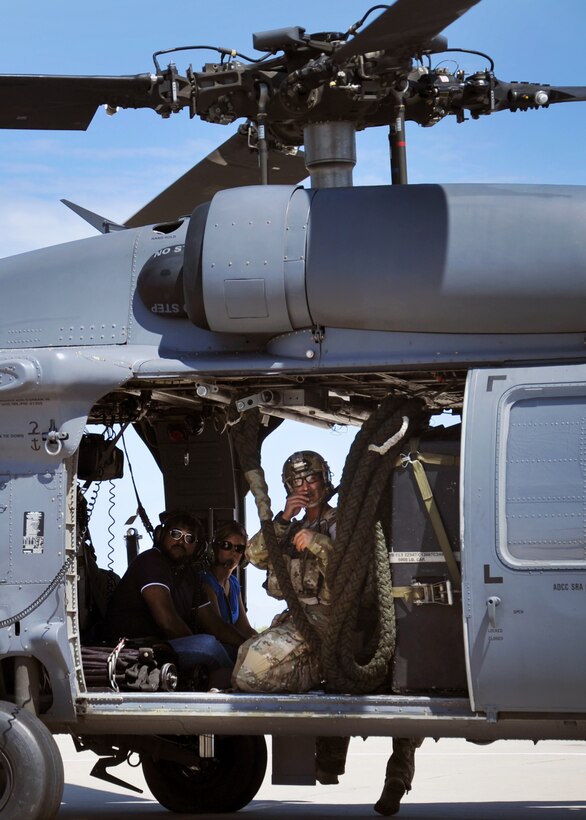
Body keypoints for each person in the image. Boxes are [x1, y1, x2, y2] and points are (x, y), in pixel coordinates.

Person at [234, 450, 421, 816]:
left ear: (325, 479)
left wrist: (318, 544)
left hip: (336, 628)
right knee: (243, 659)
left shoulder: (344, 524)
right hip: (297, 621)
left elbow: (357, 574)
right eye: (297, 483)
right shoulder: (288, 527)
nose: (306, 488)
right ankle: (327, 755)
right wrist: (285, 518)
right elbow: (255, 556)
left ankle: (396, 775)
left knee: (252, 671)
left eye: (312, 479)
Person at [104, 510, 236, 688]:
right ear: (160, 534)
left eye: (190, 538)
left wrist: (249, 645)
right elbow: (167, 621)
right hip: (137, 649)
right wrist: (197, 645)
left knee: (234, 651)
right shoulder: (151, 561)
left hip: (165, 647)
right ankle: (237, 683)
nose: (181, 541)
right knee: (208, 645)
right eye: (175, 534)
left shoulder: (190, 576)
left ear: (198, 549)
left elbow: (215, 624)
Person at [199, 521, 257, 661]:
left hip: (234, 647)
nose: (233, 552)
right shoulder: (205, 582)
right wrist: (251, 647)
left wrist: (264, 642)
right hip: (215, 650)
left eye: (239, 548)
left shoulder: (234, 583)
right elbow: (218, 630)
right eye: (226, 545)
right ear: (215, 549)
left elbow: (244, 627)